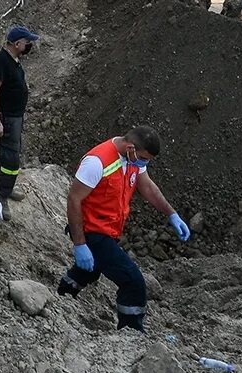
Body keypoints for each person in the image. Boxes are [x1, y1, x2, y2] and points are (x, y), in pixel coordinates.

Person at [57, 127, 192, 332]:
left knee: (90, 270)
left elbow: (146, 186)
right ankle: (131, 332)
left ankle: (61, 296)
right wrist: (80, 243)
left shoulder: (132, 159)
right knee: (132, 281)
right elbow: (74, 200)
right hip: (92, 231)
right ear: (130, 147)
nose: (144, 163)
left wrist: (172, 214)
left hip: (109, 230)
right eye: (144, 158)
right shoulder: (97, 162)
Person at [0, 27, 38, 221]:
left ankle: (6, 188)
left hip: (15, 116)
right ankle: (1, 195)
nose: (29, 46)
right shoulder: (1, 61)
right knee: (10, 158)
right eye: (27, 42)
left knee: (12, 153)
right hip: (7, 118)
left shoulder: (15, 60)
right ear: (17, 44)